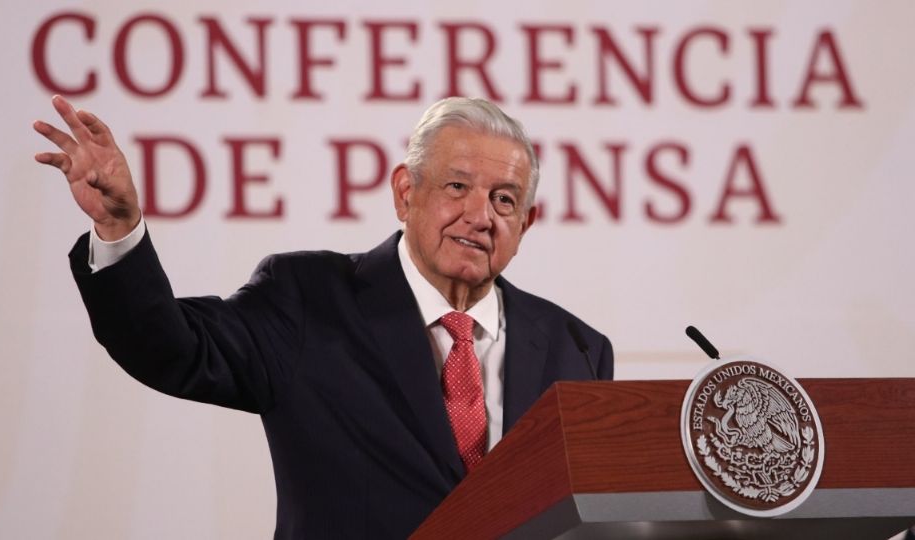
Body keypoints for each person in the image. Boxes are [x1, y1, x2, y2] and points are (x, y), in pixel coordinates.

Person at [34, 95, 613, 538]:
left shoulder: (577, 349)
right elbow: (172, 347)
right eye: (456, 186)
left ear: (527, 223)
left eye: (504, 199)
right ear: (405, 193)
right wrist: (118, 230)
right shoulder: (307, 298)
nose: (479, 215)